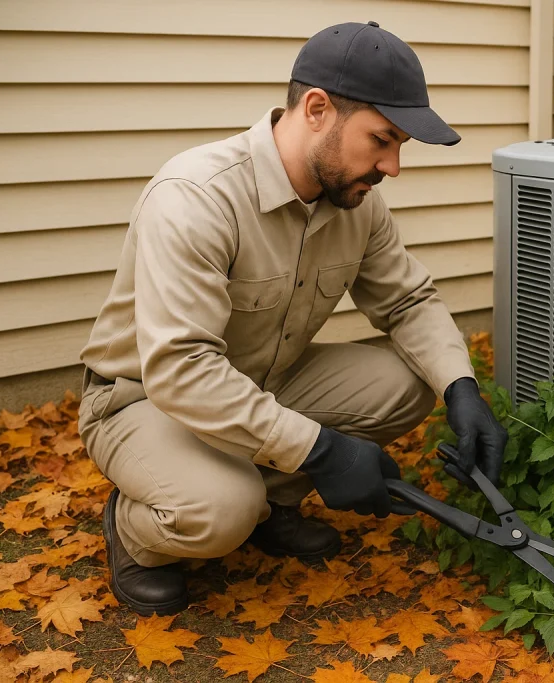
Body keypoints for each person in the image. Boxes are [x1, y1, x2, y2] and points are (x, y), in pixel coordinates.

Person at [76, 21, 508, 617]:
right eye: (382, 140)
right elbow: (181, 369)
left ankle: (273, 506)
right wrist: (324, 452)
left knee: (409, 385)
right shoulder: (196, 196)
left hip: (260, 379)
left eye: (400, 146)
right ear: (316, 109)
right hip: (144, 398)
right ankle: (138, 531)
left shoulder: (356, 202)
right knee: (221, 508)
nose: (394, 166)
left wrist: (463, 390)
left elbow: (406, 302)